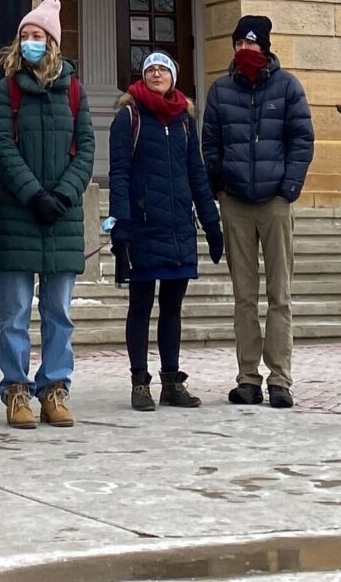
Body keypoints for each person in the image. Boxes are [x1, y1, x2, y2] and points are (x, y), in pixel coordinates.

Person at [0, 0, 94, 430]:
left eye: (38, 36)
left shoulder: (74, 90)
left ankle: (54, 387)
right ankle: (16, 389)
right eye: (25, 36)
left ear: (52, 42)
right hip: (19, 215)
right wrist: (33, 194)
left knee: (58, 313)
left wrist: (65, 194)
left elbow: (86, 147)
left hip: (62, 218)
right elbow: (2, 145)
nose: (30, 43)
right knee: (14, 313)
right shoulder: (8, 88)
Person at [202, 13, 314, 408]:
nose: (245, 50)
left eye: (252, 44)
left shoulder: (287, 87)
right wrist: (219, 187)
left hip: (274, 202)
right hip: (235, 202)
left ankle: (280, 378)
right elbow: (210, 143)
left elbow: (302, 139)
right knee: (244, 296)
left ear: (265, 47)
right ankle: (248, 376)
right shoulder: (220, 91)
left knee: (279, 294)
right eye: (240, 44)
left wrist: (289, 189)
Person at [106, 49, 221, 412]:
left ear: (173, 77)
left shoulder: (185, 121)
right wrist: (120, 223)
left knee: (173, 306)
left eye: (163, 69)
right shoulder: (129, 117)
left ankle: (172, 381)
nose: (157, 74)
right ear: (142, 77)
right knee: (140, 306)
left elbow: (196, 174)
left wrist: (211, 220)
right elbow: (120, 173)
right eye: (151, 69)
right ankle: (140, 381)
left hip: (178, 228)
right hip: (142, 226)